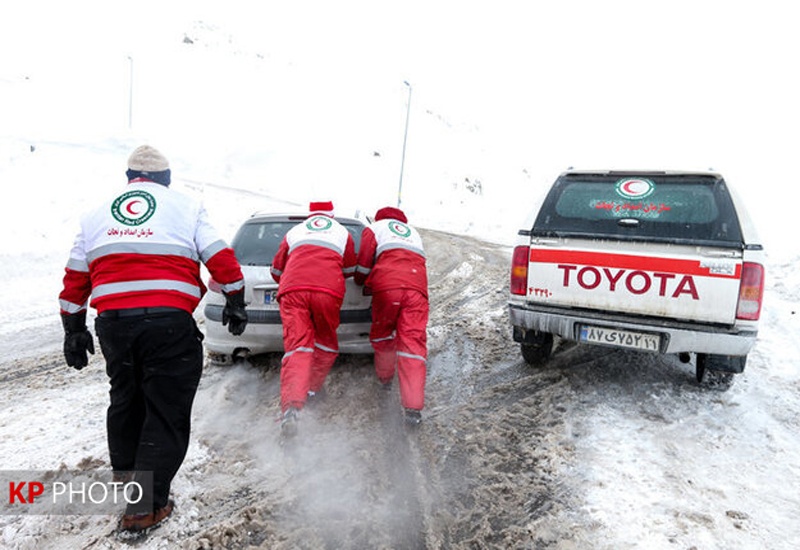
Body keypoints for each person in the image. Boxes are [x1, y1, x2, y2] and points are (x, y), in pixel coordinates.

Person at [58, 145, 247, 534]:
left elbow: (76, 276)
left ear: (130, 179)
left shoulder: (96, 214)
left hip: (113, 324)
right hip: (168, 324)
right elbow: (220, 257)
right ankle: (143, 508)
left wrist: (73, 329)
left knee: (126, 401)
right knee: (165, 409)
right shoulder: (186, 207)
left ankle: (130, 485)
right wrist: (235, 298)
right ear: (166, 179)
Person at [270, 201, 356, 435]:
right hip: (328, 290)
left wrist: (294, 280)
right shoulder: (342, 232)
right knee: (326, 342)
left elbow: (277, 270)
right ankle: (311, 390)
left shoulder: (295, 231)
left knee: (298, 346)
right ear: (332, 215)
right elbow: (349, 269)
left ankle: (291, 408)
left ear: (310, 215)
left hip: (293, 290)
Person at [354, 206, 429, 426]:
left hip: (388, 289)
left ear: (379, 217)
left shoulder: (375, 228)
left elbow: (364, 263)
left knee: (383, 334)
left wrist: (361, 282)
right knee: (413, 345)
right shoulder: (413, 233)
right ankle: (413, 409)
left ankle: (386, 379)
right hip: (417, 291)